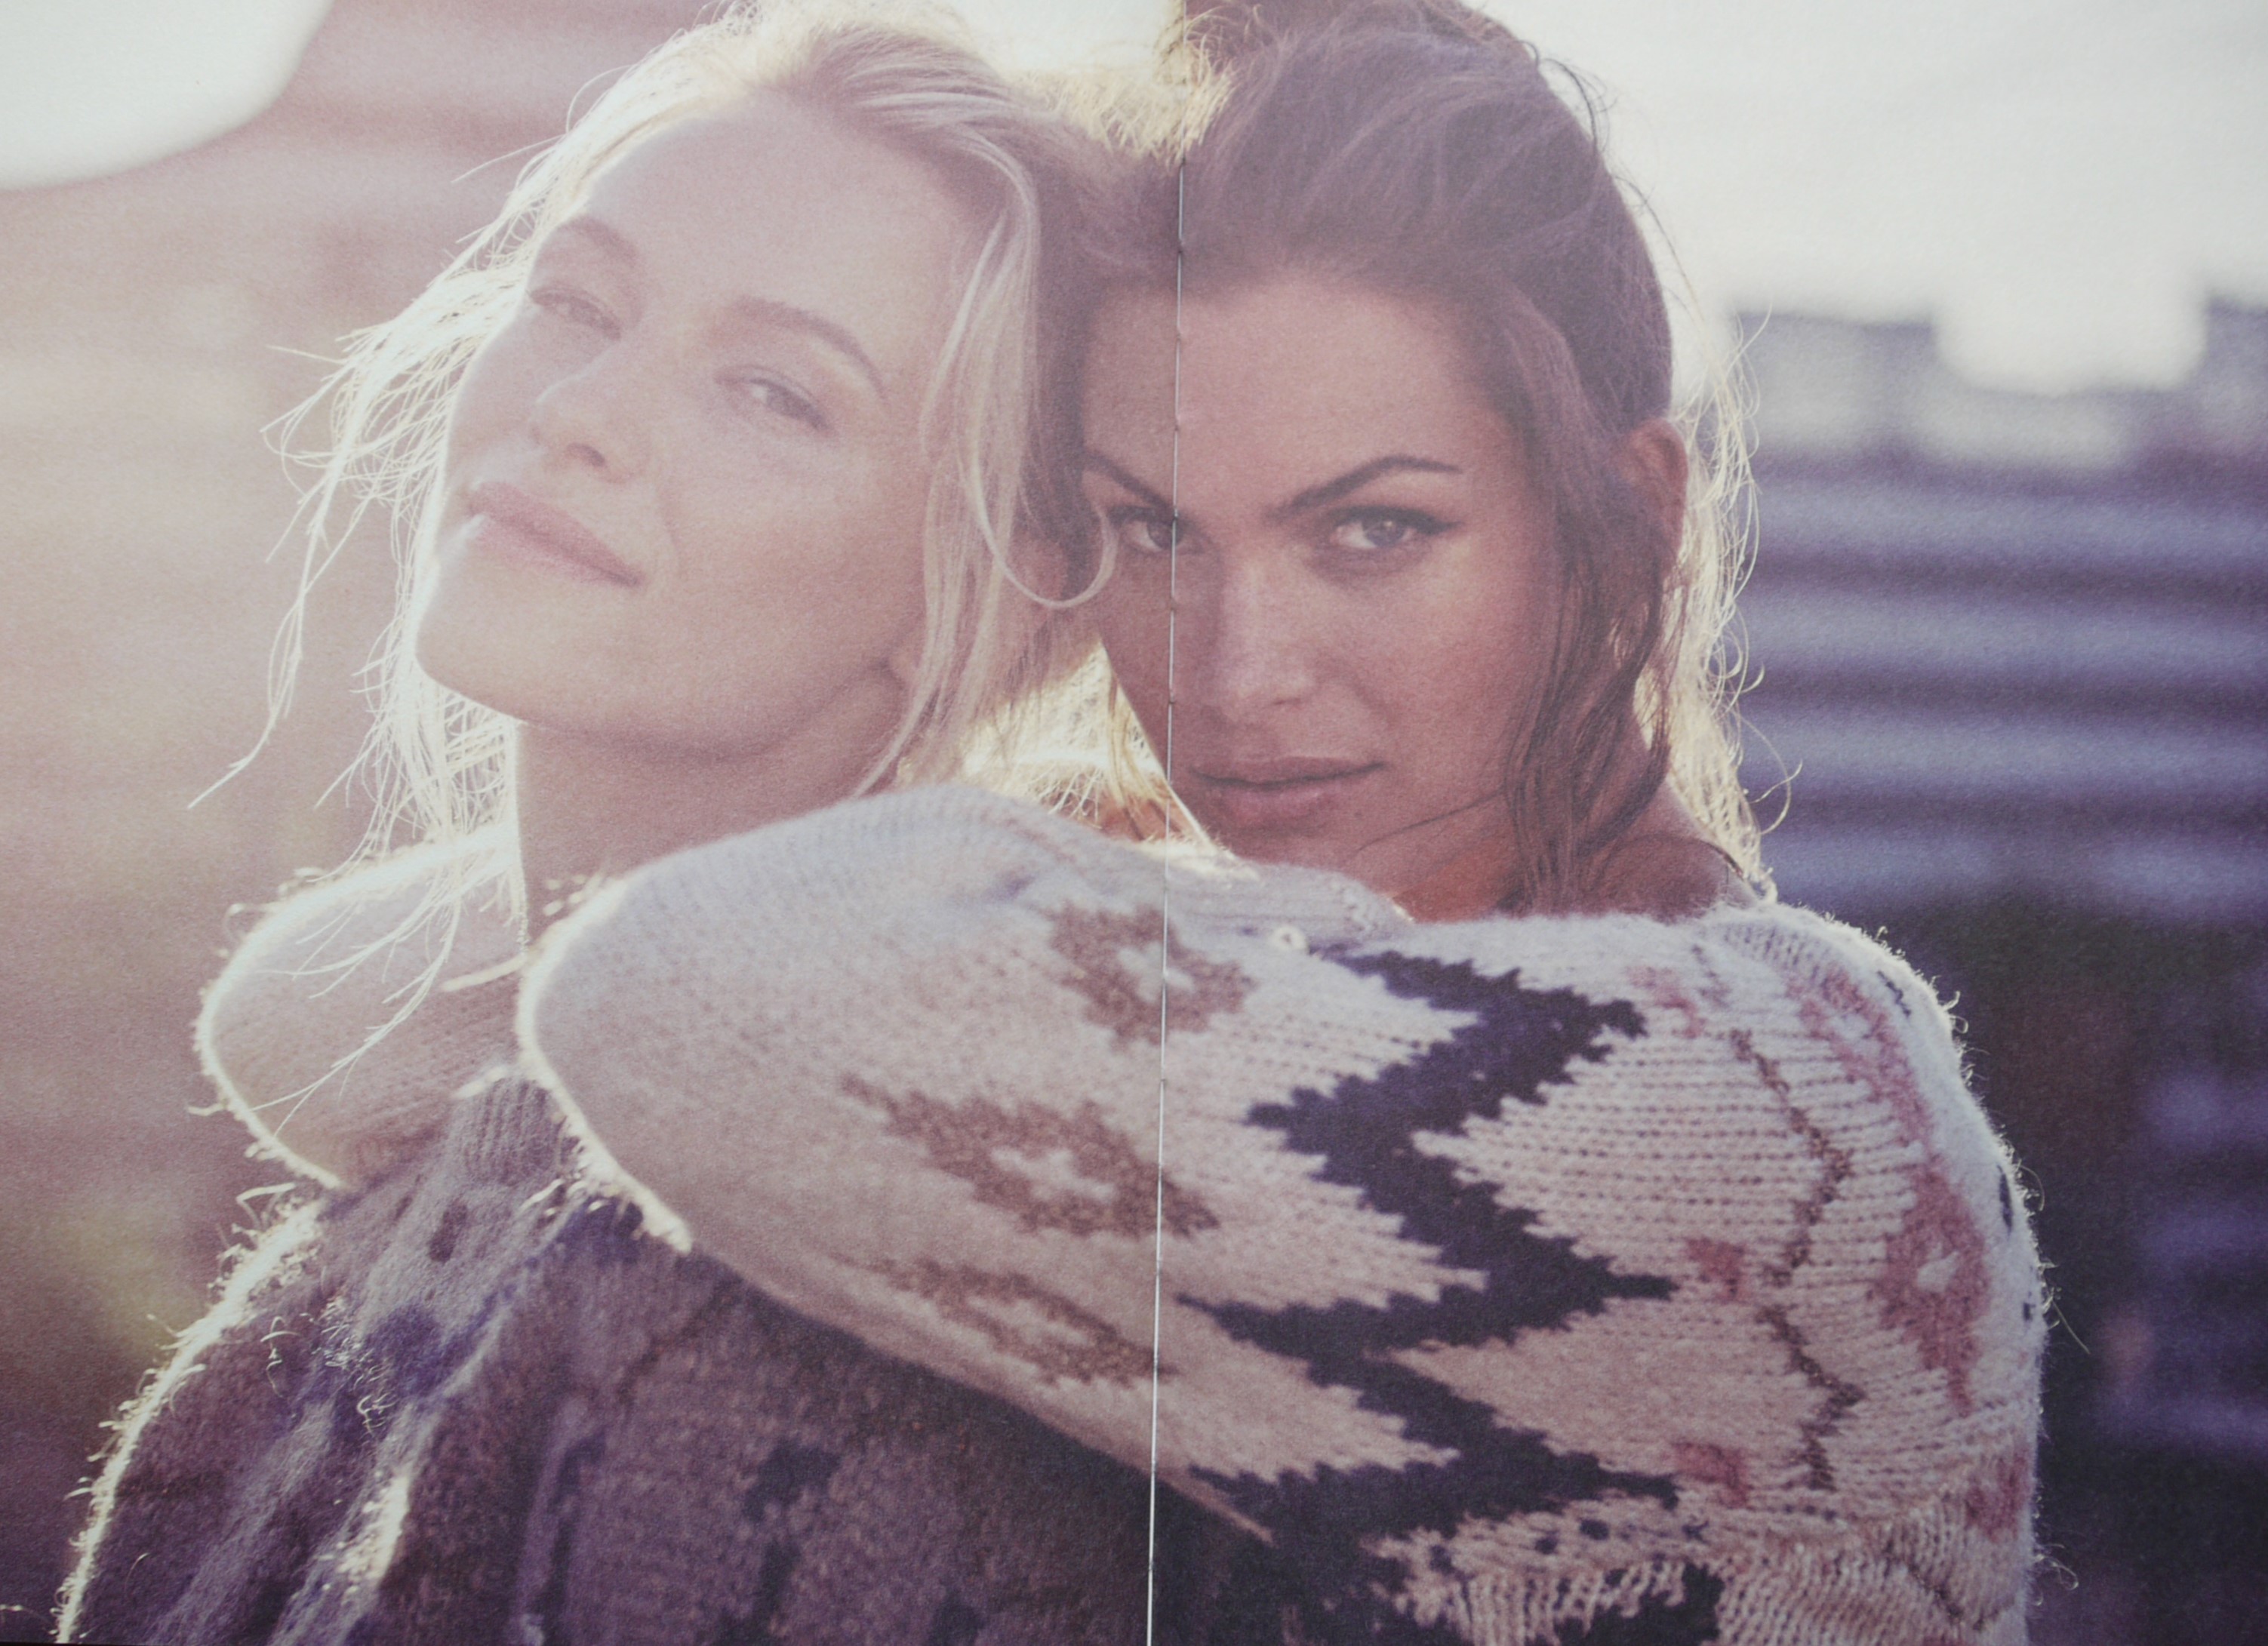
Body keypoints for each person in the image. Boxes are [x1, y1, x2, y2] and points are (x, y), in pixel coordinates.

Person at [502, 8, 2050, 1644]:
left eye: (1374, 531)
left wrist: (973, 673)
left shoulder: (1791, 1133)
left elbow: (655, 994)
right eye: (1152, 534)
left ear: (1629, 525)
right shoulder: (1269, 1015)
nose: (1237, 674)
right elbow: (384, 1030)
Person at [57, 7, 1229, 1642]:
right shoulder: (412, 1200)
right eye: (576, 301)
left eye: (774, 390)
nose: (582, 405)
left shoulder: (778, 1328)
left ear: (993, 594)